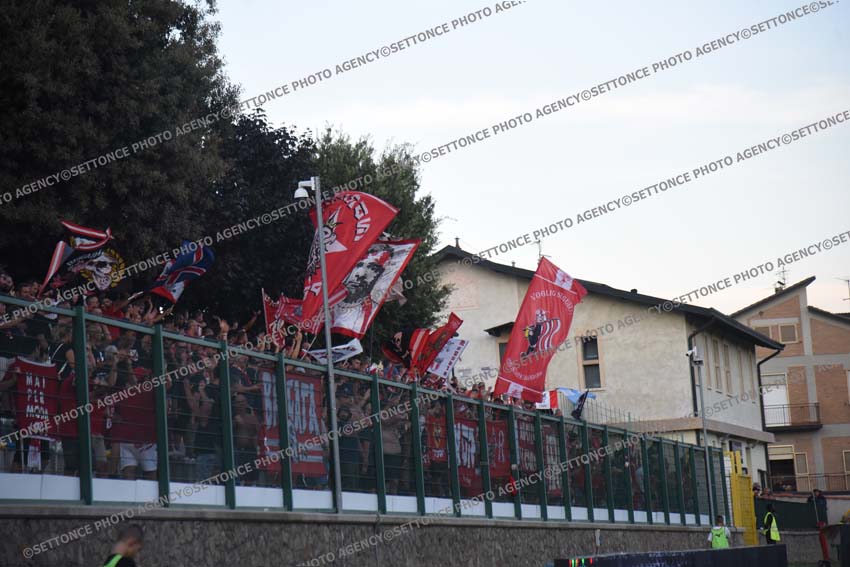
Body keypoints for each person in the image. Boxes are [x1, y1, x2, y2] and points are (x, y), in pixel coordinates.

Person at [808, 489, 830, 562]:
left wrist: (815, 500)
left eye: (817, 492)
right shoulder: (810, 498)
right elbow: (809, 505)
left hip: (821, 519)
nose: (816, 493)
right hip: (815, 519)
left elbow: (822, 505)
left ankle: (826, 558)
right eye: (815, 492)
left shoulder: (822, 498)